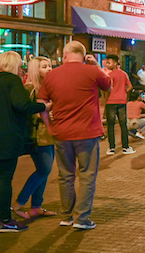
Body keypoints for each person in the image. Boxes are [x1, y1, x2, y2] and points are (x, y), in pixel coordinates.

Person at [37, 41, 111, 231]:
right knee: (87, 175)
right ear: (83, 54)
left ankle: (66, 215)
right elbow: (108, 86)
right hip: (87, 132)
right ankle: (82, 218)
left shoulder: (52, 75)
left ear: (65, 54)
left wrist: (50, 126)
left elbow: (41, 104)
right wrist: (95, 65)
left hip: (61, 133)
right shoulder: (92, 72)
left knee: (66, 175)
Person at [0, 51, 48, 233]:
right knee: (3, 179)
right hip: (4, 137)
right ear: (13, 65)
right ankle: (6, 220)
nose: (21, 68)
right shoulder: (11, 81)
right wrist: (44, 106)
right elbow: (23, 106)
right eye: (19, 65)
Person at [13, 56, 58, 220]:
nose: (49, 69)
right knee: (44, 169)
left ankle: (36, 206)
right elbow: (25, 112)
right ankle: (19, 203)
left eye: (50, 66)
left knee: (45, 171)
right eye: (44, 67)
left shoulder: (47, 87)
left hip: (48, 134)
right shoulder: (30, 89)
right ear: (35, 70)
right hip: (37, 135)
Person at [103, 54, 135, 155]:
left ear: (116, 63)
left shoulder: (109, 76)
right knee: (123, 124)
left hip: (111, 102)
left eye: (109, 62)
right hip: (122, 101)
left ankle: (111, 147)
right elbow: (130, 86)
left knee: (111, 125)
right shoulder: (124, 74)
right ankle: (125, 146)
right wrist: (123, 92)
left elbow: (106, 89)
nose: (107, 65)